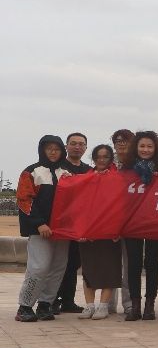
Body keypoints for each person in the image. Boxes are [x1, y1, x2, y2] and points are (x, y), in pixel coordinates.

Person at [15, 135, 71, 322]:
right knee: (38, 268)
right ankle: (24, 306)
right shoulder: (31, 172)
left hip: (62, 232)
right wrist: (39, 223)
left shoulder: (67, 173)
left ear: (62, 151)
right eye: (49, 149)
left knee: (58, 268)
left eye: (57, 149)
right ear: (42, 150)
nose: (53, 152)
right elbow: (24, 200)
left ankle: (45, 304)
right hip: (40, 230)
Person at [120, 131, 158, 321]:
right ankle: (135, 306)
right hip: (132, 222)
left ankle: (150, 305)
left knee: (152, 263)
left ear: (156, 148)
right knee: (133, 264)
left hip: (155, 221)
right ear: (136, 147)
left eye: (150, 146)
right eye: (142, 146)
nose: (146, 150)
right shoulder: (126, 169)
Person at [77, 144, 122, 319]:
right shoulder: (85, 178)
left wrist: (118, 230)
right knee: (88, 269)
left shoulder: (118, 178)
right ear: (94, 158)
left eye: (105, 157)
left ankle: (103, 306)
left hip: (110, 232)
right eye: (98, 157)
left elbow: (121, 206)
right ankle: (89, 305)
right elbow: (78, 205)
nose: (101, 160)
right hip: (88, 232)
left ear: (111, 159)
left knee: (109, 269)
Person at [52, 132, 91, 314]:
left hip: (80, 224)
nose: (77, 147)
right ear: (66, 146)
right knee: (57, 264)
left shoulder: (89, 171)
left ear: (85, 148)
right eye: (73, 143)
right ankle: (52, 300)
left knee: (74, 263)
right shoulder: (57, 167)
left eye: (81, 144)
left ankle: (68, 300)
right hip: (60, 222)